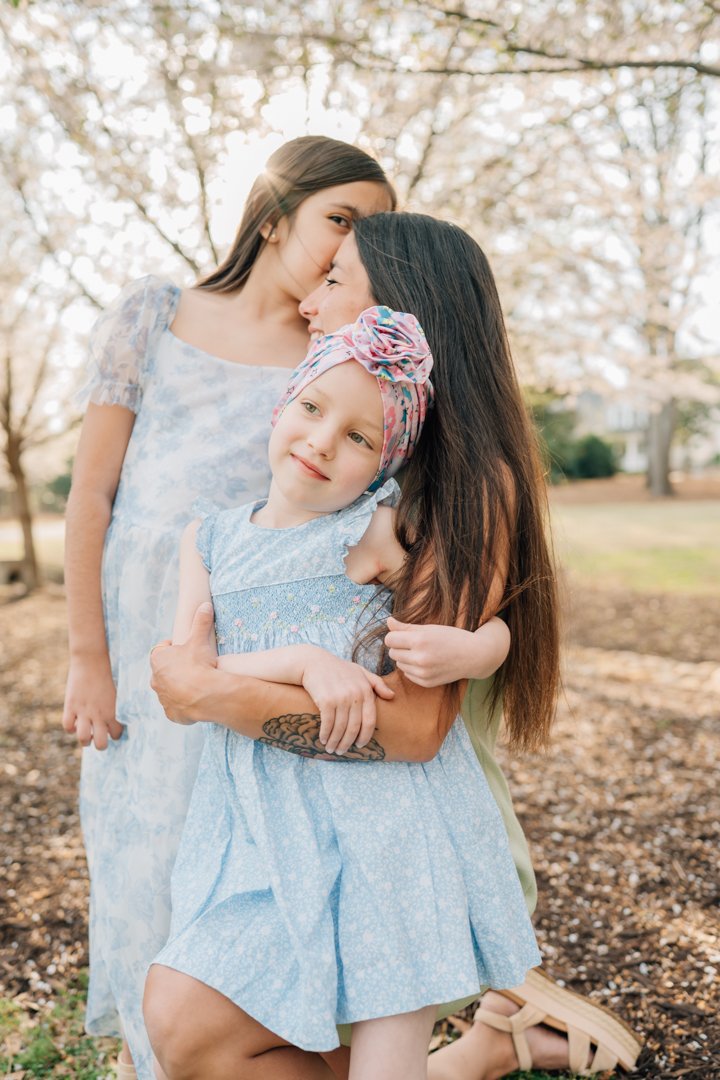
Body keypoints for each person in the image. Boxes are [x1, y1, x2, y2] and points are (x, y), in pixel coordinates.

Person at [146, 214, 641, 1077]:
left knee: (201, 1031)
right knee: (191, 1030)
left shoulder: (458, 485)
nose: (309, 298)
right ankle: (494, 1046)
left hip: (401, 839)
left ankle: (488, 1040)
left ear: (404, 307)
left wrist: (216, 692)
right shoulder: (328, 454)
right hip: (286, 816)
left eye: (335, 278)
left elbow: (413, 727)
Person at [61, 135, 396, 1080]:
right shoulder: (157, 314)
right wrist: (91, 658)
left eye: (370, 230)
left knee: (243, 878)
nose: (350, 245)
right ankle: (148, 1058)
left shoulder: (339, 356)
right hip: (141, 646)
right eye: (341, 217)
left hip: (264, 658)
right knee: (146, 866)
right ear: (274, 214)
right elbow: (91, 498)